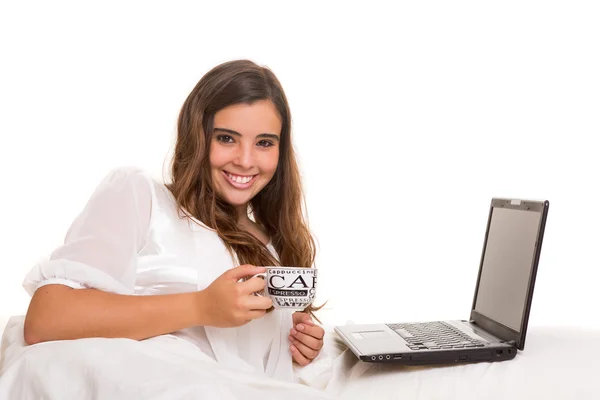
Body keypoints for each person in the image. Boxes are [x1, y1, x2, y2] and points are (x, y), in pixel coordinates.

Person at [21, 59, 326, 380]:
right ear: (197, 135)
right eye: (226, 138)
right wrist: (201, 307)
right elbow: (45, 319)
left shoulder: (274, 245)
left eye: (264, 142)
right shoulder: (141, 196)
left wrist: (293, 343)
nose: (245, 160)